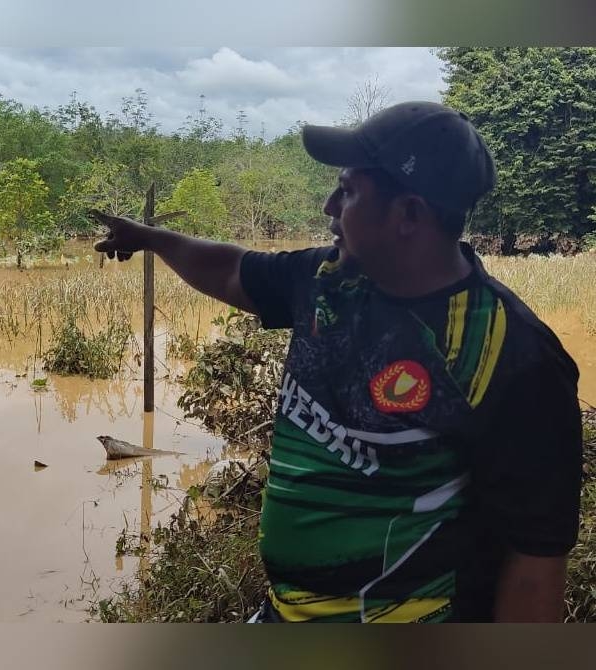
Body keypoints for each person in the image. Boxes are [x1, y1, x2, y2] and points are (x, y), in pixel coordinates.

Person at [88, 101, 583, 623]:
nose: (328, 206)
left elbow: (535, 564)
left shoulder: (511, 353)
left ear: (409, 214)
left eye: (347, 191)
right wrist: (150, 238)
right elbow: (233, 270)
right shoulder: (326, 279)